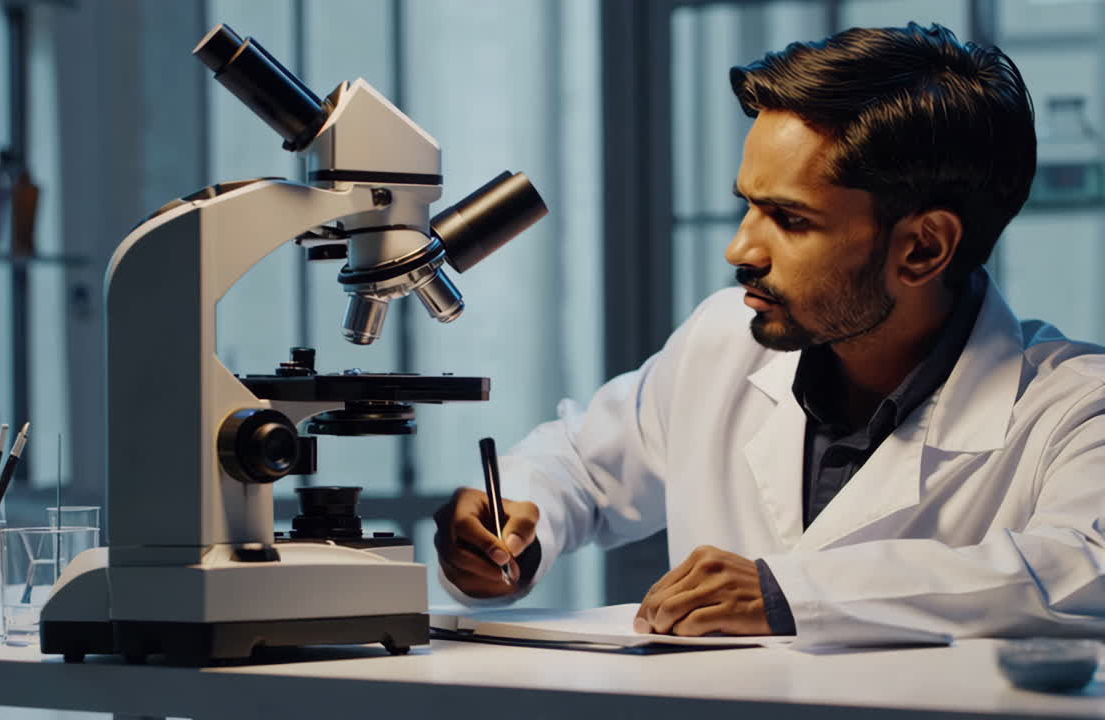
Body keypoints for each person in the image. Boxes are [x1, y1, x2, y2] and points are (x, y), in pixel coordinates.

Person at [433, 22, 1105, 647]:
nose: (739, 249)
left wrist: (792, 594)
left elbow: (1081, 568)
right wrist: (515, 523)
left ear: (923, 249)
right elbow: (580, 466)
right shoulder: (724, 341)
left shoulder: (1076, 409)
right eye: (748, 205)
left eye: (790, 218)